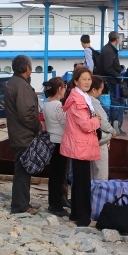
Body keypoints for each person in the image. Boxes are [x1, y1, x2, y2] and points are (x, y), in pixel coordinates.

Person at [61, 67, 101, 227]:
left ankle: (76, 214)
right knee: (83, 182)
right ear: (76, 81)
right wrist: (97, 120)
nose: (87, 82)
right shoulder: (79, 100)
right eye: (83, 79)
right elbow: (85, 124)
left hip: (79, 144)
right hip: (81, 145)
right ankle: (83, 218)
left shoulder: (80, 97)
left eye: (89, 79)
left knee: (79, 180)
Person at [4, 55, 42, 215]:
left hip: (17, 132)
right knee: (23, 171)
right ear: (27, 68)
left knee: (22, 169)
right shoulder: (22, 86)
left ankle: (22, 202)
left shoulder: (12, 83)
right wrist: (38, 126)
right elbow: (27, 113)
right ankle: (20, 206)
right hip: (23, 134)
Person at [42, 77, 69, 217]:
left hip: (51, 139)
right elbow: (66, 124)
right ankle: (57, 205)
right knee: (59, 175)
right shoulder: (58, 105)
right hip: (59, 141)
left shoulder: (46, 103)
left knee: (54, 174)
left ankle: (53, 202)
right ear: (59, 89)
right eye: (64, 87)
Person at [94, 31, 124, 134]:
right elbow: (108, 68)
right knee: (116, 101)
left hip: (112, 79)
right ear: (117, 39)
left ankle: (117, 124)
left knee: (119, 101)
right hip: (111, 80)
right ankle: (115, 125)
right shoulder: (109, 51)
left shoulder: (108, 49)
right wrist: (118, 76)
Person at [88, 75, 115, 181]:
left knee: (91, 174)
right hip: (99, 141)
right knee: (101, 175)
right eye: (100, 90)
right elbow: (103, 121)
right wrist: (112, 131)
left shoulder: (84, 100)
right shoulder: (93, 102)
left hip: (89, 141)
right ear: (94, 89)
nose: (101, 93)